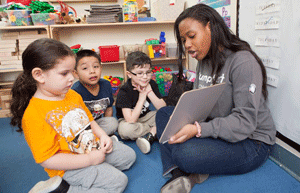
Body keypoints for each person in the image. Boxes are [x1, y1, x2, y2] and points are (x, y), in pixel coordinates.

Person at [155, 3, 277, 193]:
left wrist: (197, 129)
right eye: (183, 39)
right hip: (218, 126)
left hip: (252, 143)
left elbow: (245, 123)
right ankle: (181, 172)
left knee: (184, 153)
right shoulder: (203, 61)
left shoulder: (243, 61)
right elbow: (200, 105)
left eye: (192, 36)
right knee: (164, 114)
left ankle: (183, 167)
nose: (187, 44)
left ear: (210, 27)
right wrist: (186, 119)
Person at [10, 38, 136, 193]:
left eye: (71, 72)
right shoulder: (33, 115)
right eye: (64, 73)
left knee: (129, 157)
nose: (72, 77)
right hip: (69, 167)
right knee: (118, 182)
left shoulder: (72, 95)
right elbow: (47, 160)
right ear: (39, 75)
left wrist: (103, 135)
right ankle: (63, 188)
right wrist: (89, 160)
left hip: (92, 147)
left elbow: (89, 120)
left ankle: (99, 169)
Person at [115, 51, 166, 154]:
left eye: (148, 72)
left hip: (145, 117)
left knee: (168, 115)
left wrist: (149, 91)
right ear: (129, 74)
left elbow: (163, 108)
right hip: (128, 121)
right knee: (125, 130)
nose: (145, 77)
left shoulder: (151, 84)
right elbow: (131, 119)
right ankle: (154, 131)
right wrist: (142, 97)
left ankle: (150, 134)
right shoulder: (124, 91)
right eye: (140, 73)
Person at [72, 49, 118, 136]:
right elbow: (75, 121)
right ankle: (96, 139)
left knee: (113, 122)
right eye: (85, 68)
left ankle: (102, 137)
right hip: (83, 127)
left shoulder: (106, 84)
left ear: (101, 68)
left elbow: (108, 108)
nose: (92, 71)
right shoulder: (75, 91)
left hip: (98, 123)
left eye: (96, 66)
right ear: (76, 74)